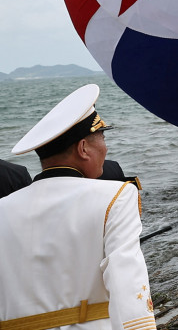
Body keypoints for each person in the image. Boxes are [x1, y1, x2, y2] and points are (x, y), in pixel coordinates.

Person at [0, 84, 156, 330]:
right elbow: (126, 280)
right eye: (102, 138)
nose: (106, 148)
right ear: (83, 148)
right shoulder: (115, 196)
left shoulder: (3, 208)